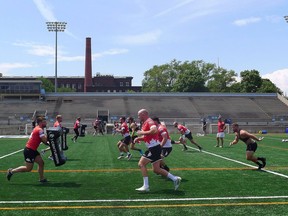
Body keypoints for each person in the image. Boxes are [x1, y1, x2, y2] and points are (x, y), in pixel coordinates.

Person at [134, 109, 181, 192]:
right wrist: (139, 138)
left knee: (141, 164)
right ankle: (174, 179)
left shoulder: (149, 121)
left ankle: (146, 186)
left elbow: (154, 131)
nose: (138, 117)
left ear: (144, 114)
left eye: (139, 115)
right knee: (156, 169)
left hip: (154, 148)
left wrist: (141, 132)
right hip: (154, 147)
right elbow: (149, 137)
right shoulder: (145, 123)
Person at [6, 116, 49, 183]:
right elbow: (45, 141)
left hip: (33, 150)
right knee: (28, 169)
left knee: (41, 163)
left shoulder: (38, 128)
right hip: (29, 150)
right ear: (40, 122)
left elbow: (44, 139)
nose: (46, 123)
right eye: (44, 122)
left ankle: (41, 179)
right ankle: (11, 171)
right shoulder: (39, 130)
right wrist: (50, 139)